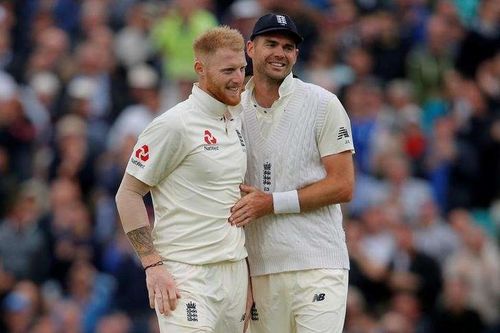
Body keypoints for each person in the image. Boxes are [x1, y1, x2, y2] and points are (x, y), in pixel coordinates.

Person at [115, 26, 249, 333]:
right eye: (228, 70)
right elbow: (128, 194)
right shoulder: (174, 124)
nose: (238, 79)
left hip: (234, 274)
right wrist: (152, 265)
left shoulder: (237, 119)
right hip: (186, 276)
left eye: (242, 69)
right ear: (200, 69)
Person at [229, 13, 355, 333]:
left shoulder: (323, 103)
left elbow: (343, 185)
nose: (280, 53)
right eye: (271, 43)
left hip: (318, 263)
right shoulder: (230, 112)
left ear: (296, 55)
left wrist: (272, 202)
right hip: (259, 270)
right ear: (250, 49)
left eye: (288, 47)